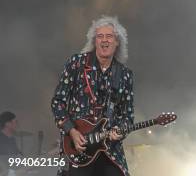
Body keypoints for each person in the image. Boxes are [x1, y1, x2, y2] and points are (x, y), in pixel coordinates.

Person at [51, 16, 135, 176]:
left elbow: (127, 116)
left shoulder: (125, 74)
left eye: (109, 36)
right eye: (100, 36)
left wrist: (120, 131)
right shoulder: (76, 63)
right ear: (94, 41)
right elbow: (58, 103)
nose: (104, 40)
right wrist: (72, 131)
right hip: (78, 147)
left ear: (117, 42)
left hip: (109, 150)